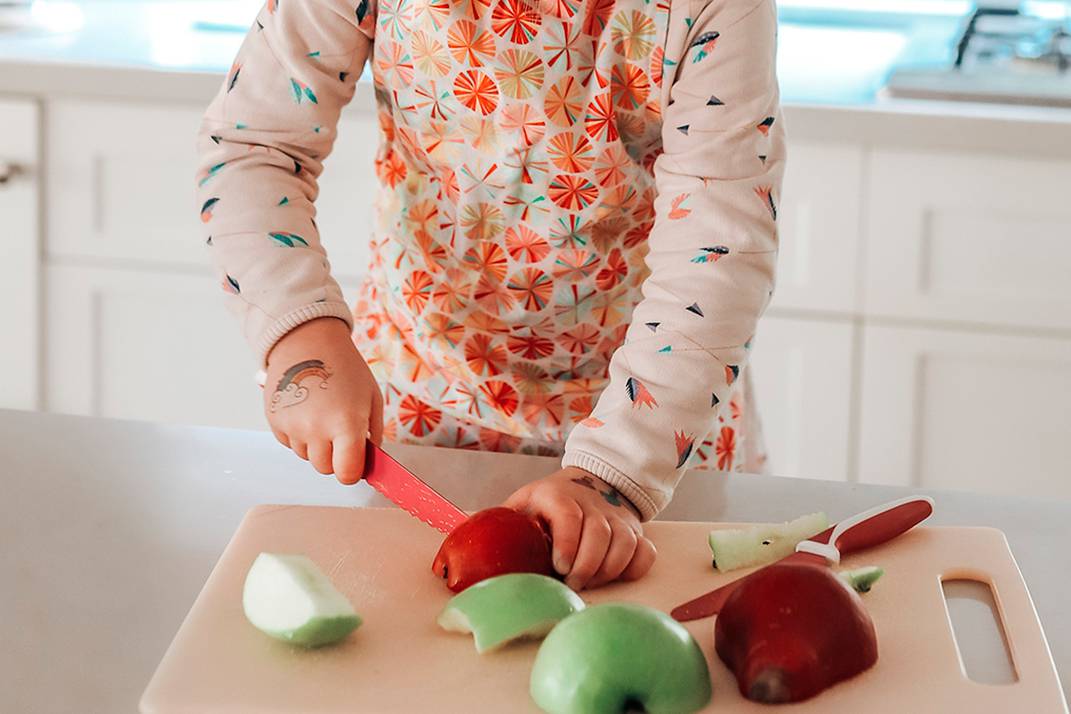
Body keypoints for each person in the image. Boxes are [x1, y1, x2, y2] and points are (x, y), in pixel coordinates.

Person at [196, 0, 784, 591]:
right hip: (422, 405)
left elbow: (719, 245)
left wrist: (617, 473)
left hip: (654, 426)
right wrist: (301, 335)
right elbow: (257, 149)